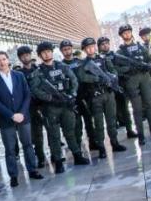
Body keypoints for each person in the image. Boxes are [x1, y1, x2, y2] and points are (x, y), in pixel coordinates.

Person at [29, 42, 89, 173]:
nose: (47, 54)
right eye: (43, 52)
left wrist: (72, 95)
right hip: (51, 108)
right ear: (39, 55)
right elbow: (35, 89)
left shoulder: (62, 66)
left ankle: (77, 155)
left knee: (70, 132)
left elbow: (74, 80)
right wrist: (50, 98)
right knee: (54, 136)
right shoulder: (38, 73)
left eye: (48, 51)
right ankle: (58, 161)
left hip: (66, 105)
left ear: (52, 52)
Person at [0, 51, 44, 187]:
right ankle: (13, 175)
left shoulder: (19, 76)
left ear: (8, 60)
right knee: (10, 149)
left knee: (28, 145)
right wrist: (12, 115)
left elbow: (27, 95)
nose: (1, 62)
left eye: (3, 59)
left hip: (23, 117)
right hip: (6, 120)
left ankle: (33, 170)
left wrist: (22, 113)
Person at [75, 38, 126, 158]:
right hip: (95, 96)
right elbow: (82, 77)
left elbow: (113, 71)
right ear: (84, 50)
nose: (90, 49)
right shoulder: (83, 64)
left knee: (112, 120)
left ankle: (114, 143)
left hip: (108, 94)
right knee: (98, 124)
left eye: (92, 46)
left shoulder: (104, 59)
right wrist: (97, 79)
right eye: (87, 48)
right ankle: (102, 148)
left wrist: (111, 78)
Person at [115, 25, 151, 143]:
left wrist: (146, 65)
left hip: (145, 77)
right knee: (137, 109)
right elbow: (117, 69)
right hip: (132, 80)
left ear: (131, 33)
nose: (127, 34)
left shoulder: (140, 47)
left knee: (149, 105)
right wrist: (128, 69)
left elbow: (149, 59)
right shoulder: (120, 52)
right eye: (124, 33)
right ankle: (140, 135)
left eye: (128, 32)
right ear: (121, 36)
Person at [60, 39, 96, 154]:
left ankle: (93, 143)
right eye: (65, 50)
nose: (67, 51)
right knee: (77, 125)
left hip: (85, 96)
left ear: (72, 49)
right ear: (62, 51)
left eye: (69, 49)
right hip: (72, 99)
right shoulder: (61, 66)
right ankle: (78, 147)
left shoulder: (80, 62)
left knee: (89, 122)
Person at [97, 37, 137, 140]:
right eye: (102, 44)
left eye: (107, 43)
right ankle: (114, 137)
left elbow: (124, 66)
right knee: (111, 113)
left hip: (119, 85)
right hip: (108, 88)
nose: (105, 46)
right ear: (99, 47)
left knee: (125, 109)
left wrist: (118, 72)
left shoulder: (115, 55)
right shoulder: (98, 59)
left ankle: (129, 130)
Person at [15, 45, 46, 169]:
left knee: (51, 131)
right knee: (36, 135)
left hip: (44, 104)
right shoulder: (18, 74)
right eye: (23, 56)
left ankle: (55, 155)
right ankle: (41, 158)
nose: (25, 57)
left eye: (27, 54)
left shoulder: (39, 69)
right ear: (20, 58)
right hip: (30, 109)